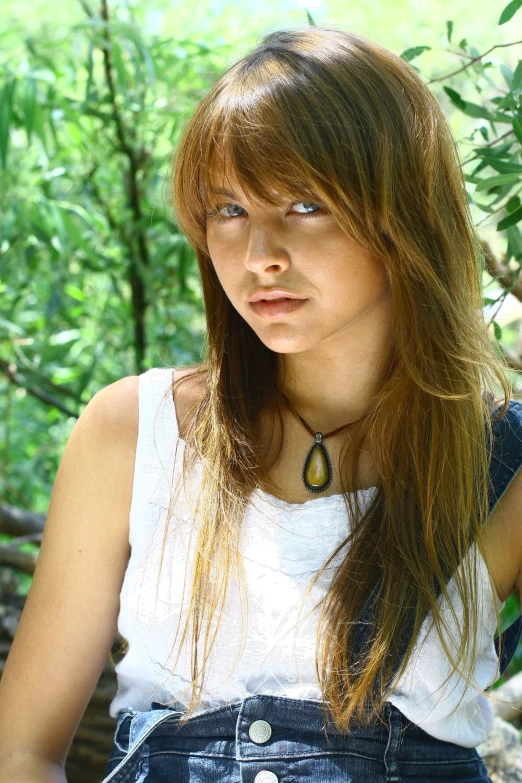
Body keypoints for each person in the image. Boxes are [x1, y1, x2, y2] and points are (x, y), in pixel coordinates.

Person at [0, 23, 522, 783]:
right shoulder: (136, 431)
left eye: (306, 204)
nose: (259, 254)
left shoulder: (498, 457)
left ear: (404, 215)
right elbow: (21, 749)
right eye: (229, 210)